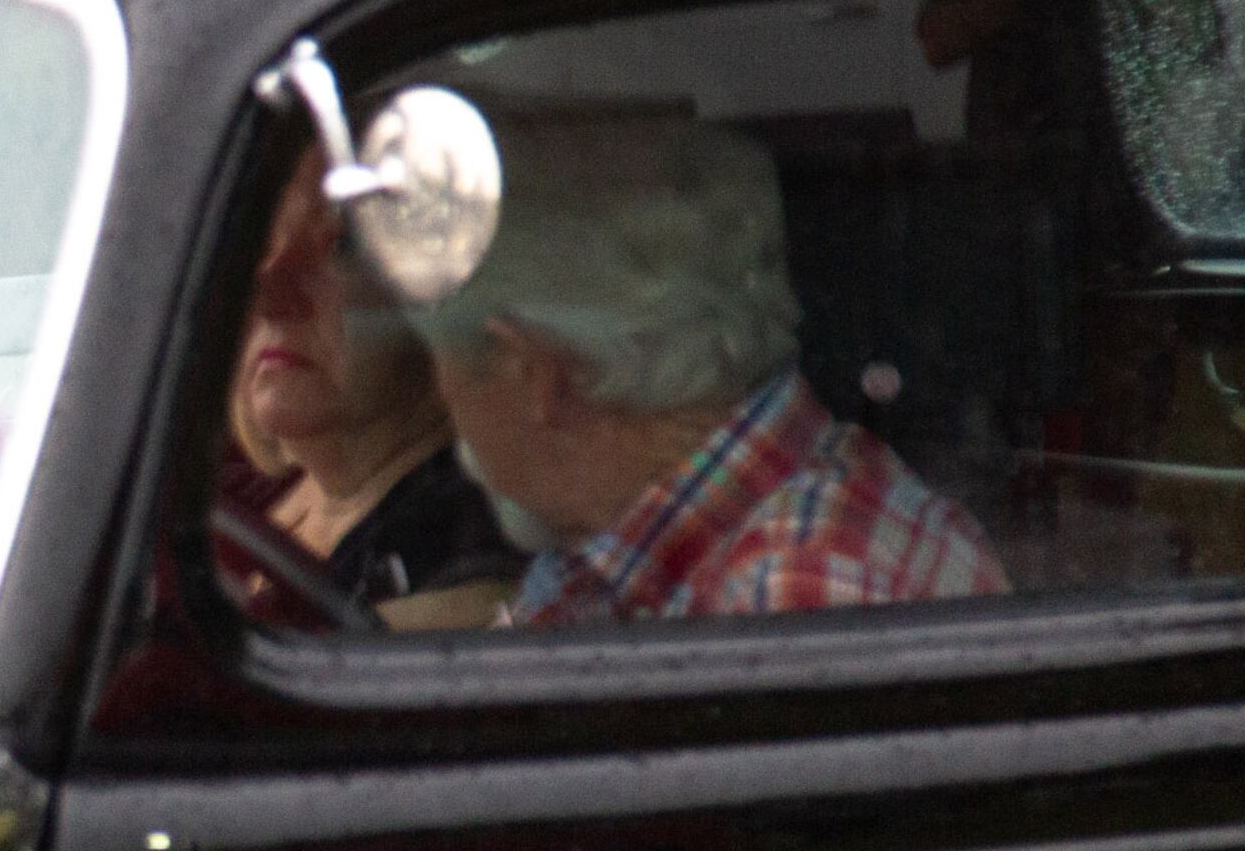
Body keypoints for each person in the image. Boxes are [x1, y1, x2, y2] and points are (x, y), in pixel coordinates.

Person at [398, 107, 1006, 623]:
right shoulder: (672, 550)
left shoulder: (785, 600)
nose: (441, 397)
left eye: (435, 357)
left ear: (527, 370)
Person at [221, 153, 522, 628]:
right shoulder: (231, 484)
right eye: (260, 241)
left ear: (442, 301)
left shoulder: (469, 554)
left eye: (340, 247)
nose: (269, 292)